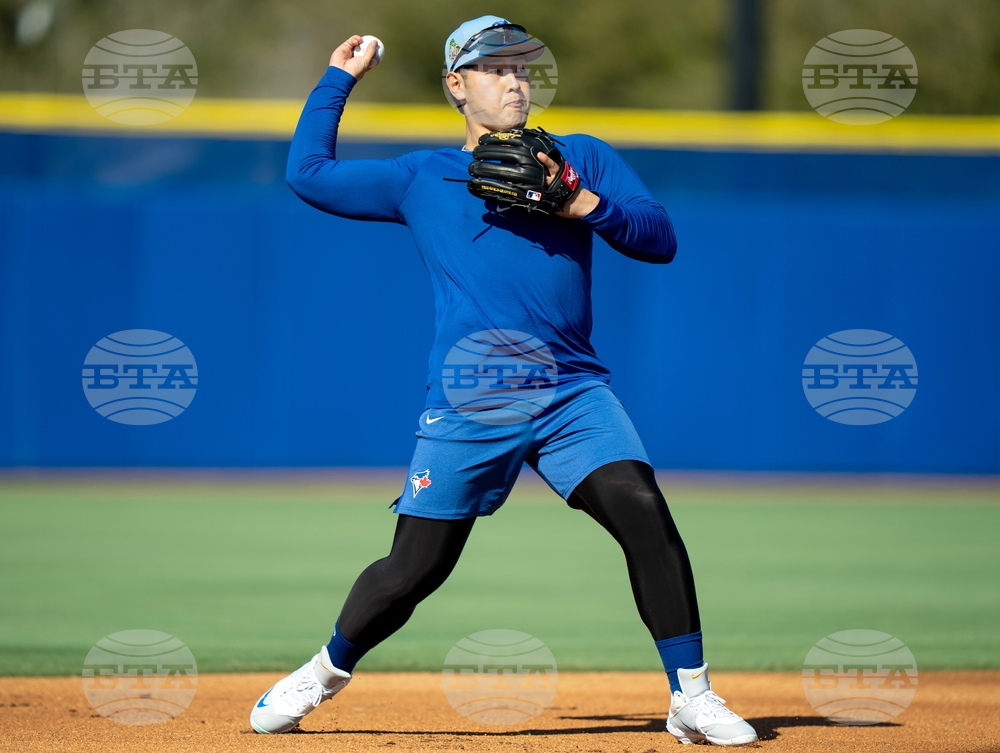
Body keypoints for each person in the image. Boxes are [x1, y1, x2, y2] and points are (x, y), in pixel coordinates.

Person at [250, 16, 758, 748]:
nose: (516, 80)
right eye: (496, 69)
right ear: (458, 86)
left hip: (571, 390)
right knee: (414, 569)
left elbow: (660, 239)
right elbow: (308, 176)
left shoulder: (579, 158)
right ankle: (324, 670)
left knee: (644, 511)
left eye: (523, 68)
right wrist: (339, 81)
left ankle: (692, 695)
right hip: (472, 393)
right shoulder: (420, 177)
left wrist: (580, 202)